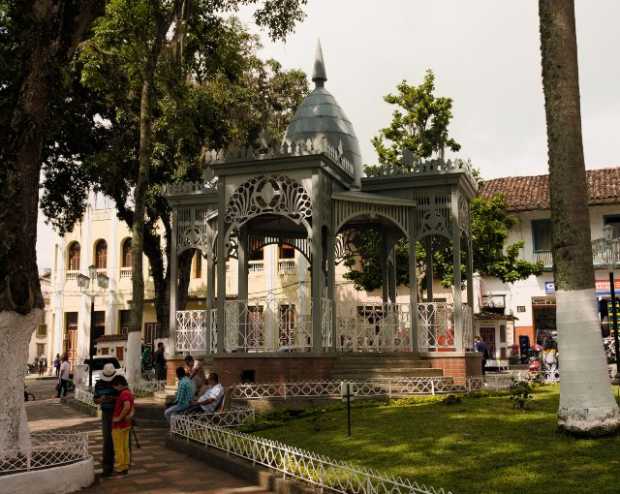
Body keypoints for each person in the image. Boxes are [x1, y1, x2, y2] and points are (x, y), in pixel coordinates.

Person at [93, 363, 119, 477]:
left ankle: (121, 463)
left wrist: (113, 398)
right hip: (106, 414)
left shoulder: (119, 382)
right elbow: (95, 400)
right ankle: (107, 466)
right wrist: (101, 400)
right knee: (107, 439)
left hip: (118, 413)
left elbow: (125, 396)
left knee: (119, 439)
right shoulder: (99, 384)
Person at [110, 375, 134, 476]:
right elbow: (132, 408)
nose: (115, 389)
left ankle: (120, 467)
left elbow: (127, 406)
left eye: (115, 386)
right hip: (126, 425)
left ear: (119, 384)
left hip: (119, 425)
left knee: (118, 447)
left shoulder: (123, 393)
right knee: (125, 447)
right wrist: (129, 415)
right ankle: (125, 466)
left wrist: (119, 418)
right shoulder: (129, 392)